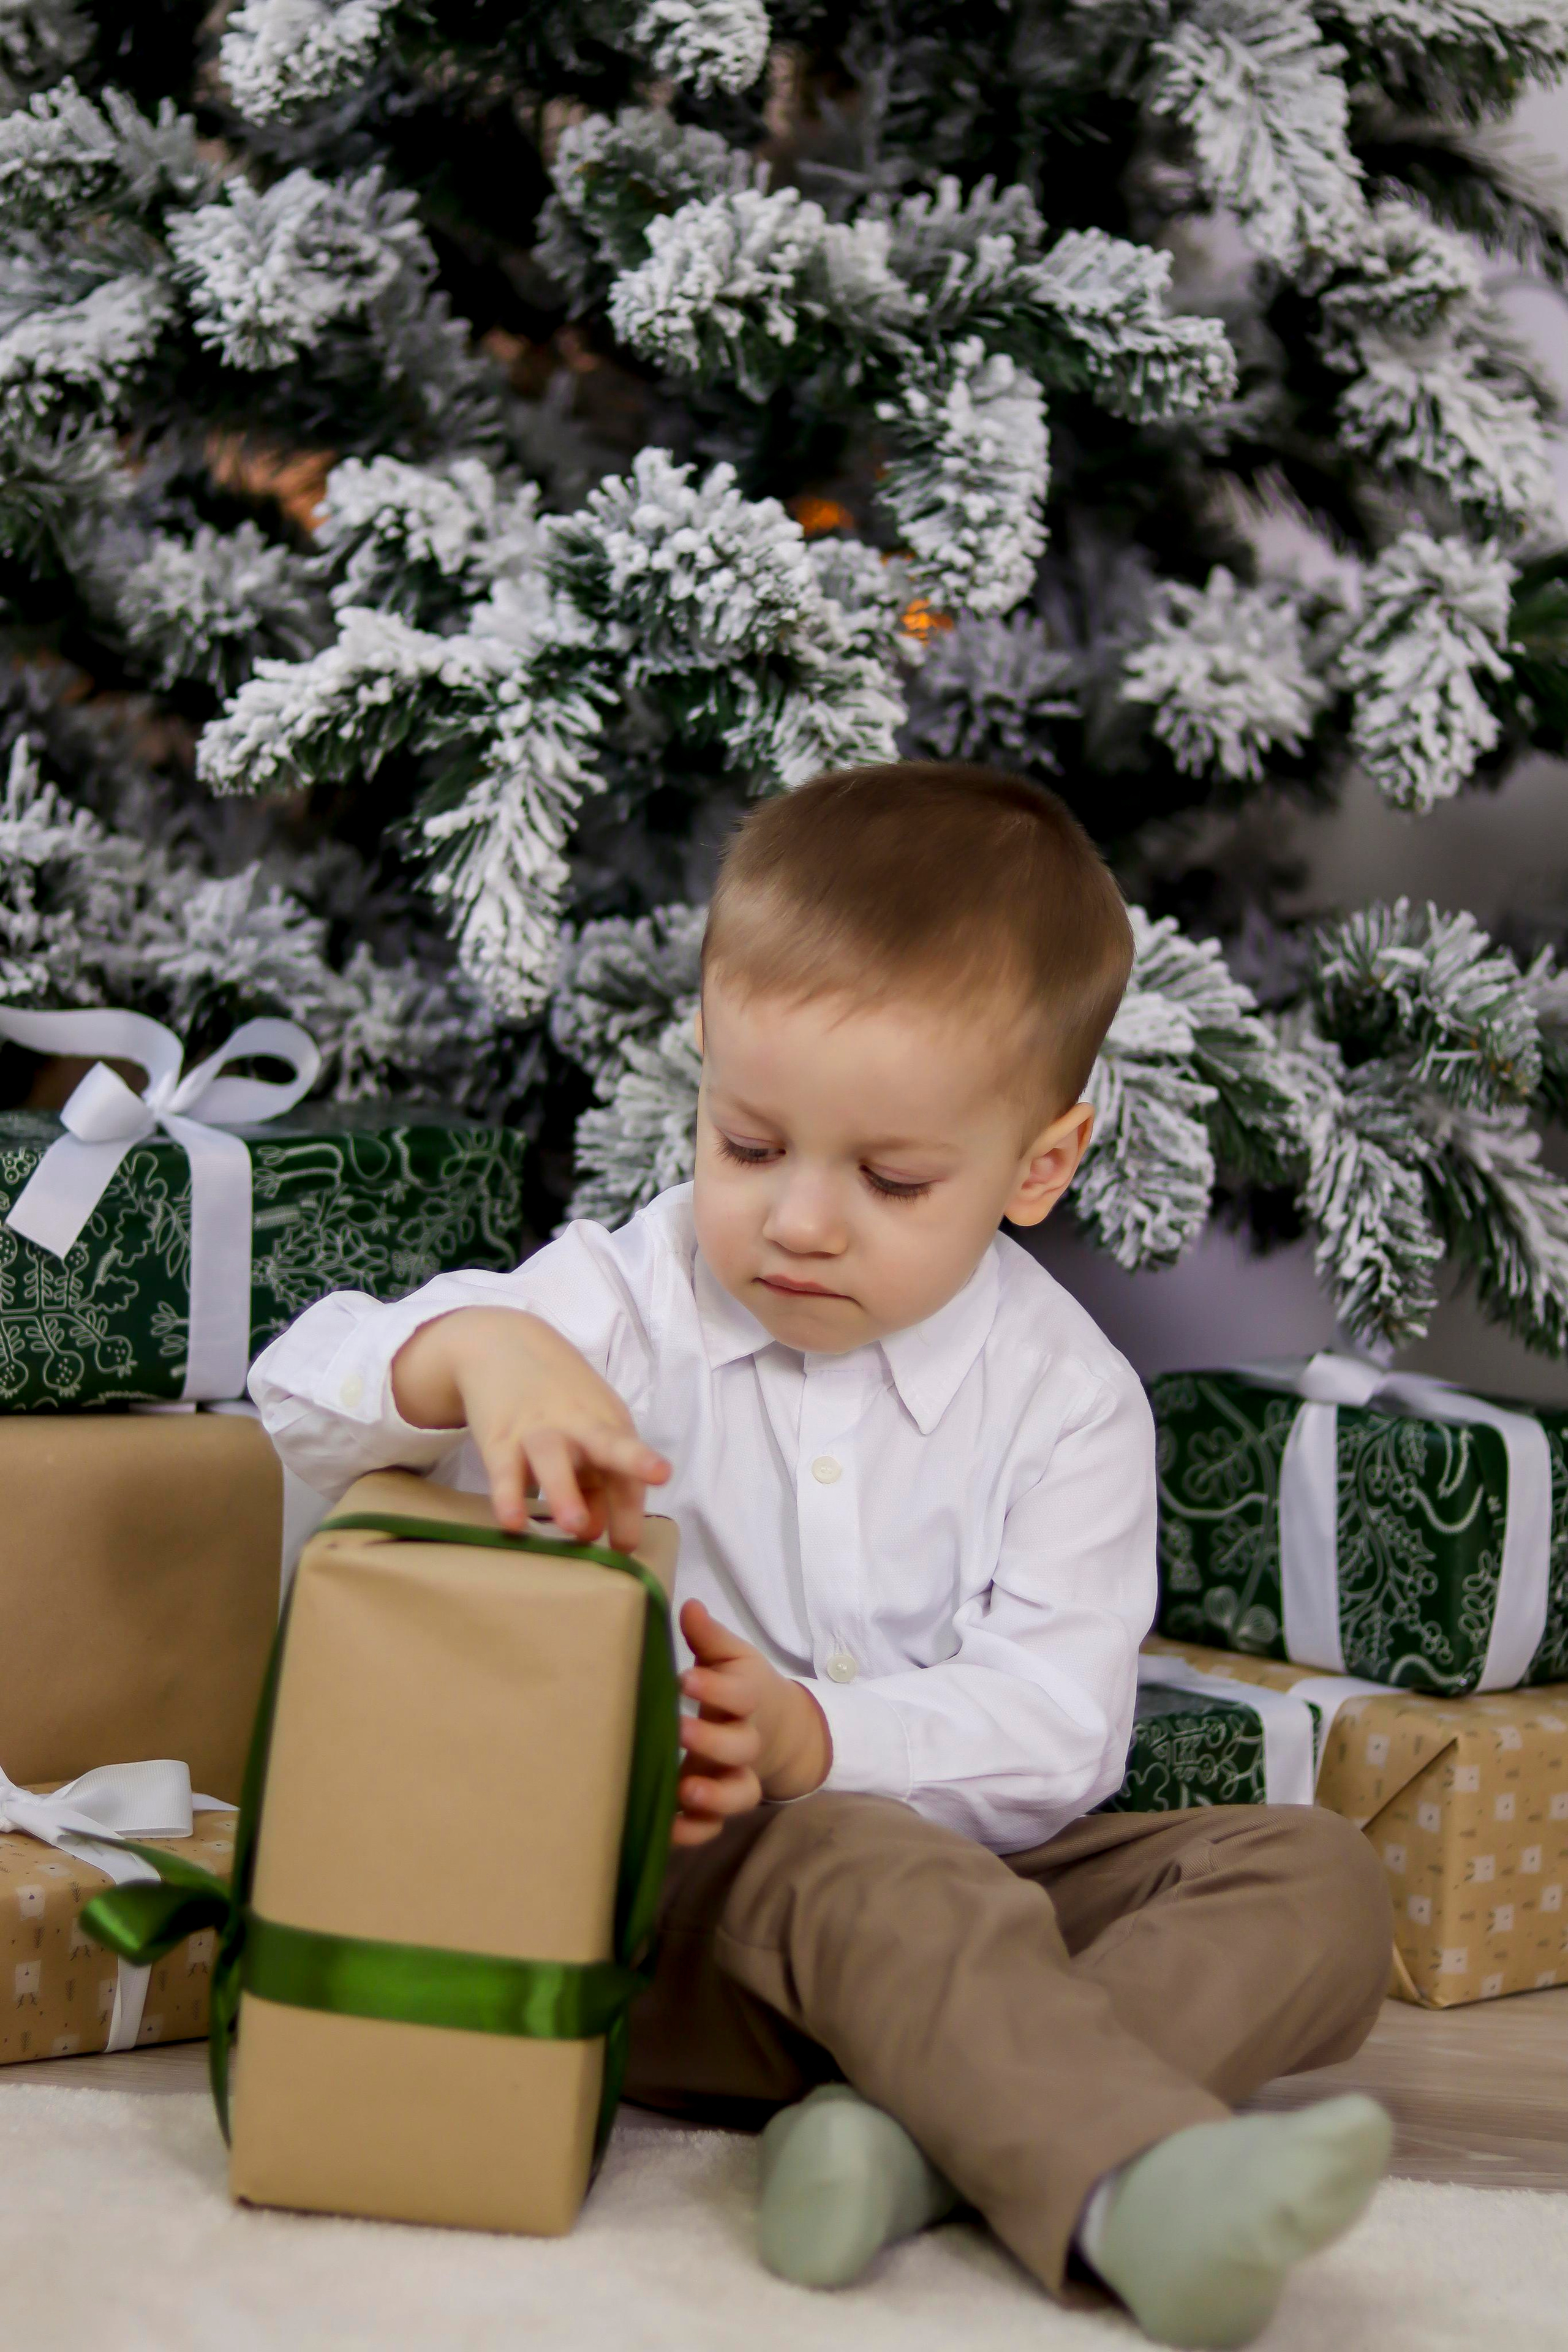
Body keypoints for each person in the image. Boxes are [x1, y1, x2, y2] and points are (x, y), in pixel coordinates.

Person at [251, 761, 1395, 2350]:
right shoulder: (627, 1298)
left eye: (890, 1179)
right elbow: (299, 1388)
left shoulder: (1068, 1401)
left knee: (1320, 1879)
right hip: (661, 1917)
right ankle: (1123, 2188)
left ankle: (912, 2143)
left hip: (959, 1916)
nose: (798, 1220)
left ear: (1041, 1166)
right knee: (867, 1861)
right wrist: (483, 1353)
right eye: (748, 1143)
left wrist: (819, 1737)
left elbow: (1062, 1731)